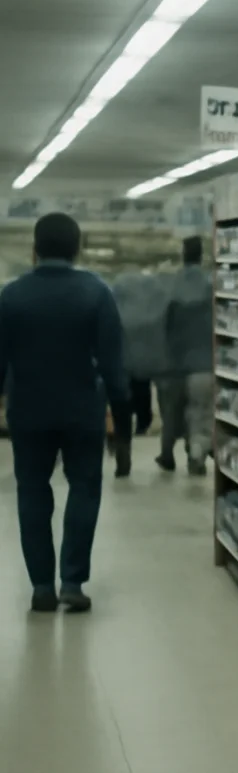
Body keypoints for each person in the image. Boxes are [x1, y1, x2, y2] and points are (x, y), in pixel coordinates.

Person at [0, 212, 128, 613]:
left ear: (34, 250)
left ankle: (41, 586)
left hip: (29, 410)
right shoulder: (97, 292)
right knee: (84, 489)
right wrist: (122, 418)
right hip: (82, 410)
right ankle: (72, 581)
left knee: (32, 491)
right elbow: (113, 363)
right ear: (78, 249)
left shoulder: (11, 296)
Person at [157, 236, 213, 476]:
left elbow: (162, 323)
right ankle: (196, 453)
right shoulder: (211, 285)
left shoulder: (171, 284)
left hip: (175, 363)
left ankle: (167, 454)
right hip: (205, 363)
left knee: (171, 411)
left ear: (183, 254)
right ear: (202, 255)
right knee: (199, 412)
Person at [110, 270, 173, 477]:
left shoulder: (117, 300)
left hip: (123, 362)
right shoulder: (156, 301)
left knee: (122, 407)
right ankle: (145, 425)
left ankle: (123, 449)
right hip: (150, 363)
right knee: (143, 396)